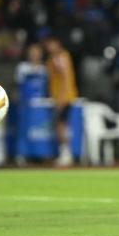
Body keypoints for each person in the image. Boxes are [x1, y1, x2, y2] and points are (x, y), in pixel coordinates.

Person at [45, 37, 78, 167]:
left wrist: (62, 98)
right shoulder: (53, 59)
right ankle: (64, 153)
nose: (49, 47)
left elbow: (64, 78)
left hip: (64, 98)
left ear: (57, 44)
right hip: (59, 97)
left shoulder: (60, 57)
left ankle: (66, 154)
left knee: (61, 126)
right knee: (60, 125)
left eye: (51, 44)